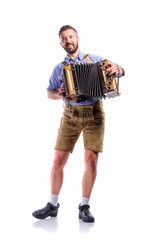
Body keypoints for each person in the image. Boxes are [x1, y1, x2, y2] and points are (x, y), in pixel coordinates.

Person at [32, 25, 125, 223]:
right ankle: (53, 205)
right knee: (58, 161)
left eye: (71, 37)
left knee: (91, 162)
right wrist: (60, 94)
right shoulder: (59, 68)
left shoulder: (97, 60)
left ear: (78, 38)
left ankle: (84, 206)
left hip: (94, 113)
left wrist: (119, 69)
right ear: (61, 43)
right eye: (64, 39)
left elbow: (120, 70)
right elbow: (49, 92)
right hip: (70, 114)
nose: (68, 41)